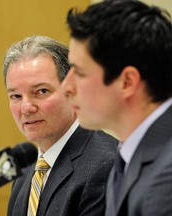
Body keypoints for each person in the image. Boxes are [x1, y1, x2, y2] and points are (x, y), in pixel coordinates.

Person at [63, 0, 172, 215]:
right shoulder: (127, 155)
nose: (66, 86)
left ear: (127, 82)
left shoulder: (166, 178)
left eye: (80, 73)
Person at [3, 35, 118, 216]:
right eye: (16, 96)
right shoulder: (26, 170)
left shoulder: (105, 165)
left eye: (41, 91)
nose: (26, 108)